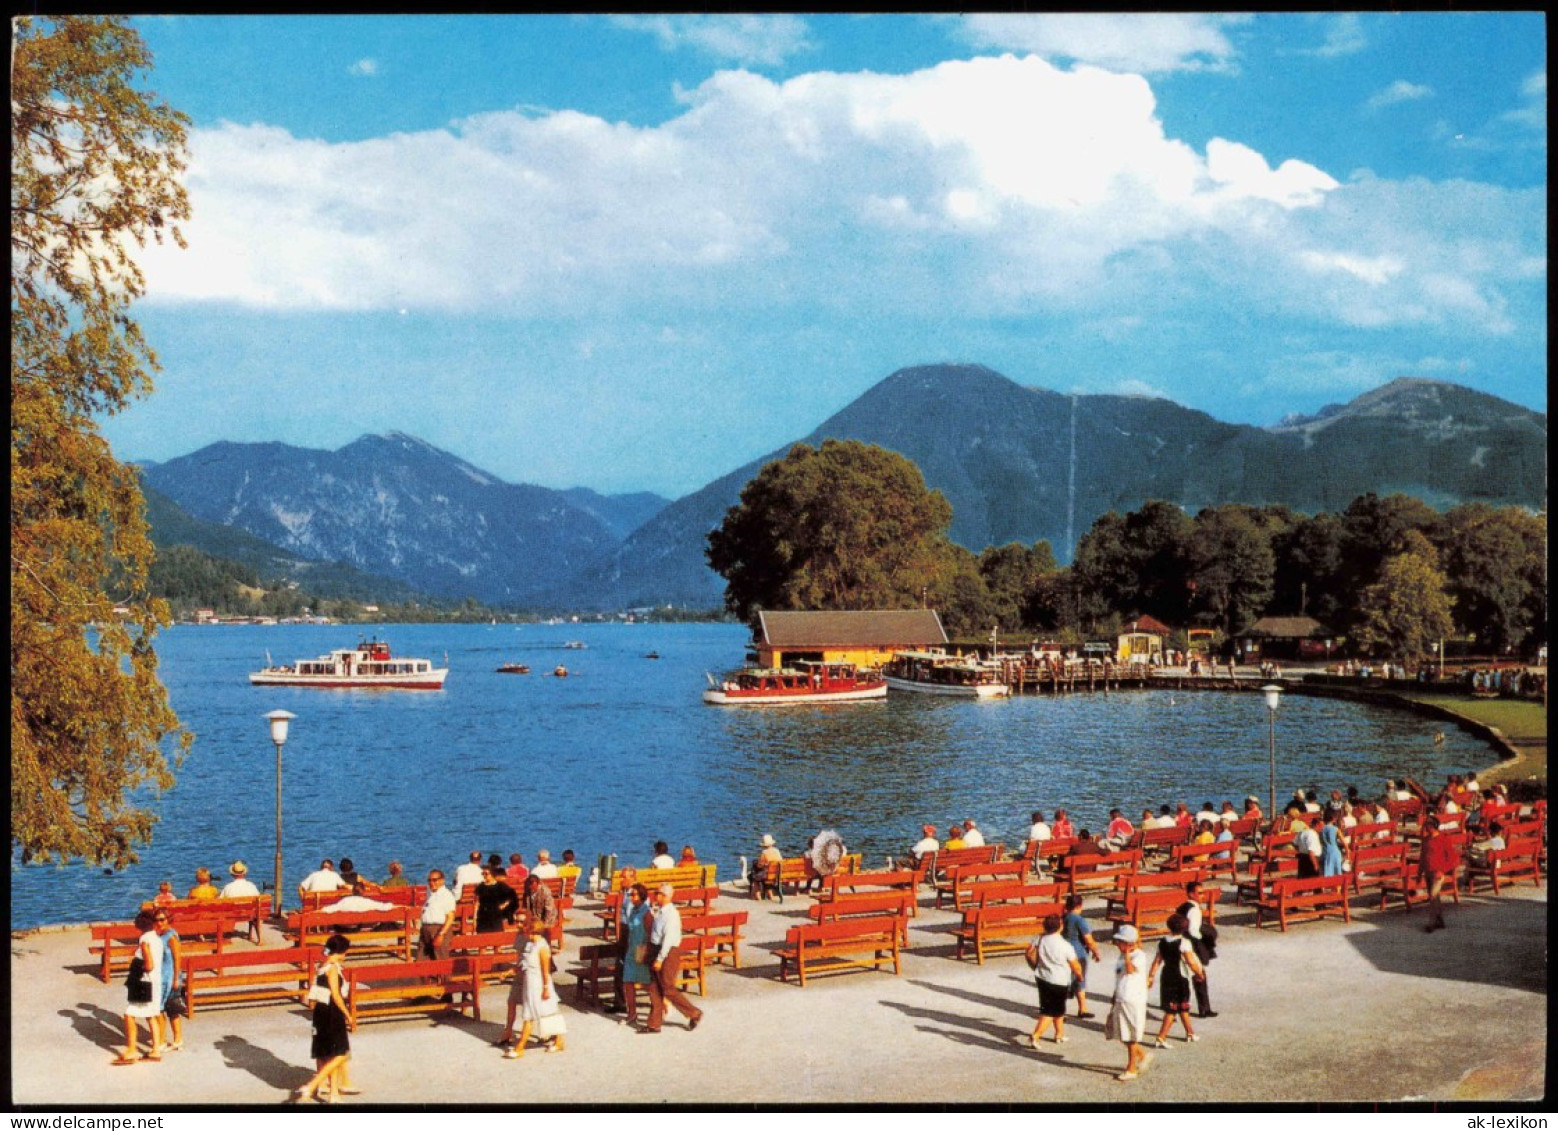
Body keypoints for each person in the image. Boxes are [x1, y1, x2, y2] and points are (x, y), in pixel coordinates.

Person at [287, 933, 356, 1103]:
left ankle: (331, 1092)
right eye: (345, 953)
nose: (346, 956)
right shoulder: (332, 969)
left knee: (326, 1052)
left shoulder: (322, 965)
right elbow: (337, 995)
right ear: (340, 952)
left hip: (320, 1011)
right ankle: (314, 1085)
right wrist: (348, 1014)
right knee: (339, 1054)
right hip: (332, 1012)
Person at [644, 884, 703, 1033]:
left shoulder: (671, 914)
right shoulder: (660, 912)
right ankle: (654, 1023)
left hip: (667, 952)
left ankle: (693, 1012)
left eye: (657, 894)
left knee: (667, 987)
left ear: (665, 896)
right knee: (654, 987)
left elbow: (668, 940)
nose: (655, 896)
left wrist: (660, 958)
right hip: (656, 948)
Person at [502, 921, 567, 1058]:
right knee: (542, 1012)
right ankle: (559, 1040)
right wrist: (510, 971)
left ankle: (520, 1047)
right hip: (529, 982)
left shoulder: (542, 947)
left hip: (539, 983)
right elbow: (523, 963)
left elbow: (545, 970)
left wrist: (545, 988)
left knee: (537, 1013)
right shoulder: (530, 945)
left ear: (533, 931)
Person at [1024, 914, 1083, 1046]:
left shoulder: (1039, 938)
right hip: (1059, 980)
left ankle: (1059, 1034)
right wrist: (1080, 976)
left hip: (1042, 977)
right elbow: (1075, 965)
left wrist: (1034, 966)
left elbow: (1028, 952)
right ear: (1061, 927)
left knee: (1057, 1008)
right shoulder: (1065, 945)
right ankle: (1035, 1035)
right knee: (1051, 1011)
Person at [1147, 913, 1204, 1046]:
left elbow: (1157, 961)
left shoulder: (1162, 941)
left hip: (1166, 974)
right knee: (1173, 1009)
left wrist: (1151, 976)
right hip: (1180, 976)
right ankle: (1161, 1038)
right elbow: (1191, 962)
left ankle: (1190, 1033)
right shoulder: (1184, 943)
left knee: (1181, 1006)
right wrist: (1199, 974)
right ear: (1185, 928)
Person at [116, 910, 164, 1064]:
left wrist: (138, 967)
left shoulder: (144, 939)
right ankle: (156, 1048)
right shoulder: (157, 938)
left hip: (144, 981)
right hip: (155, 981)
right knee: (151, 1015)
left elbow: (149, 964)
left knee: (129, 1014)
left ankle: (131, 1049)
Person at [1107, 925, 1150, 1081]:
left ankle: (1131, 1068)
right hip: (1121, 996)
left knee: (1130, 1036)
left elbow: (1131, 970)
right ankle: (1142, 1056)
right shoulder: (1121, 956)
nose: (1116, 944)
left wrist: (1126, 955)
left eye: (1119, 941)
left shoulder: (1139, 956)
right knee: (1120, 1033)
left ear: (1128, 943)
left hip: (1132, 1000)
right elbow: (1120, 976)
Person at [1177, 881, 1217, 1018]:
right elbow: (1194, 931)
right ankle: (1204, 1008)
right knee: (1199, 975)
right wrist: (1203, 940)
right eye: (1199, 893)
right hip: (1191, 946)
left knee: (1183, 976)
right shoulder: (1194, 910)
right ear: (1191, 894)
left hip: (1181, 944)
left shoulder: (1183, 907)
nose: (1202, 896)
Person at [1060, 894, 1102, 1019]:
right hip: (1078, 953)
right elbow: (1088, 939)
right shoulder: (1079, 920)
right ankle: (1082, 1008)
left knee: (1064, 981)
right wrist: (1096, 952)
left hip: (1064, 953)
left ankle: (1060, 1012)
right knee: (1080, 980)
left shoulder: (1063, 918)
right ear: (1079, 906)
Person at [618, 883, 654, 1026]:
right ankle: (632, 1013)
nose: (630, 897)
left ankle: (660, 1006)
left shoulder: (646, 913)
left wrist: (648, 952)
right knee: (627, 981)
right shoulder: (633, 910)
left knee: (647, 983)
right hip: (631, 949)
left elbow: (651, 933)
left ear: (641, 896)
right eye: (630, 894)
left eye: (633, 895)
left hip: (642, 949)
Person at [1419, 815, 1461, 933]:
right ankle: (1440, 919)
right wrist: (1419, 874)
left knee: (1433, 896)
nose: (1425, 827)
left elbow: (1453, 858)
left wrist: (1442, 870)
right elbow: (1422, 857)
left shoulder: (1443, 839)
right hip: (1428, 871)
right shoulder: (1426, 840)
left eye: (1427, 825)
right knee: (1434, 897)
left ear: (1433, 826)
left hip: (1438, 873)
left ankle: (1431, 922)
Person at [153, 909, 186, 1052]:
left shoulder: (171, 937)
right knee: (163, 1009)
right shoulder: (160, 935)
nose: (159, 923)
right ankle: (165, 1038)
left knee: (170, 1009)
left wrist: (176, 979)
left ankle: (173, 1039)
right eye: (156, 920)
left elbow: (177, 958)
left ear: (168, 920)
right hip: (161, 977)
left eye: (162, 920)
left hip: (170, 977)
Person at [417, 870, 457, 961]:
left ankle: (443, 976)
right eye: (429, 880)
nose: (431, 883)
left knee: (440, 959)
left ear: (442, 880)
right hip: (426, 929)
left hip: (438, 929)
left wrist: (441, 934)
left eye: (434, 880)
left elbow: (450, 917)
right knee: (421, 961)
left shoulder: (446, 895)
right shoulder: (430, 893)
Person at [474, 864, 520, 933]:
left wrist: (503, 906)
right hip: (482, 915)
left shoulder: (500, 886)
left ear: (492, 874)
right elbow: (477, 902)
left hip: (496, 915)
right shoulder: (480, 886)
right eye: (483, 873)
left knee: (497, 936)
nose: (484, 875)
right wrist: (475, 918)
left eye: (486, 874)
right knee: (482, 937)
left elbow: (512, 896)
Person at [1293, 814, 1322, 879]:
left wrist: (1300, 849)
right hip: (1311, 860)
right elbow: (1311, 852)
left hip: (1302, 858)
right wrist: (1315, 865)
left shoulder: (1302, 832)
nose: (1322, 828)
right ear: (1317, 825)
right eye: (1321, 826)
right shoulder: (1312, 834)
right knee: (1313, 882)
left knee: (1302, 881)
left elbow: (1294, 843)